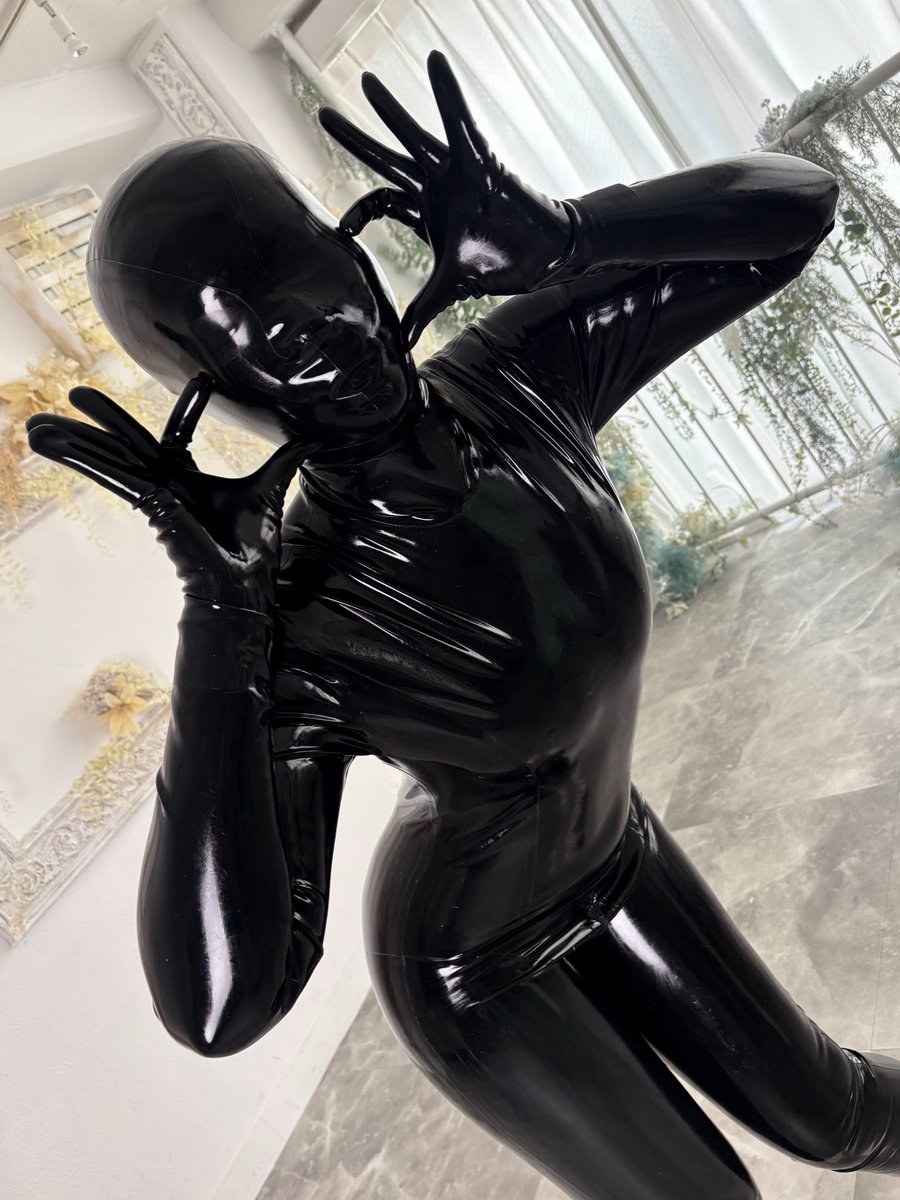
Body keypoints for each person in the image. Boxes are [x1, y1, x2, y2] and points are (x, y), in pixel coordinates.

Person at [27, 50, 900, 1200]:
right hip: (475, 968)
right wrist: (220, 611)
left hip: (613, 847)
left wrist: (573, 234)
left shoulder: (518, 376)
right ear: (216, 398)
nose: (313, 328)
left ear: (348, 242)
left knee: (837, 1113)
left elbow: (797, 212)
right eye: (249, 335)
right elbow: (222, 1009)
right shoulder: (299, 623)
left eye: (303, 261)